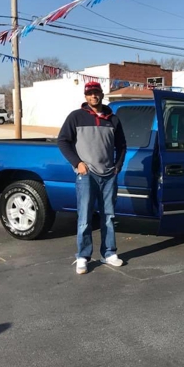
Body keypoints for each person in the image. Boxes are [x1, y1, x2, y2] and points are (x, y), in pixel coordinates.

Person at [58, 81, 127, 275]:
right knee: (85, 217)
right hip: (86, 175)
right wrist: (77, 163)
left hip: (108, 176)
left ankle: (109, 253)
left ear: (102, 94)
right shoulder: (76, 117)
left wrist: (117, 167)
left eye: (96, 93)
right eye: (90, 93)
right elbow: (63, 141)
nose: (93, 96)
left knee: (109, 216)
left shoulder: (113, 119)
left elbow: (122, 146)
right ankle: (83, 256)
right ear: (85, 96)